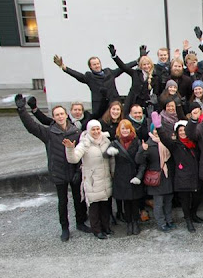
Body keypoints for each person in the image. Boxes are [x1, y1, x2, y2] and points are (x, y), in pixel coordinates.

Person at [15, 94, 89, 241]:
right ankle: (64, 227)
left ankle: (80, 222)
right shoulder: (49, 133)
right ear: (54, 117)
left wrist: (78, 170)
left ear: (66, 115)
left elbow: (81, 153)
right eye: (57, 115)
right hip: (59, 172)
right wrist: (22, 110)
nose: (60, 117)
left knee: (78, 198)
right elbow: (32, 127)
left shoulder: (76, 132)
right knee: (63, 201)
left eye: (62, 114)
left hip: (74, 171)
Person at [63, 120, 113, 240]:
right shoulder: (84, 143)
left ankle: (106, 227)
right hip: (92, 179)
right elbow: (74, 159)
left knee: (105, 204)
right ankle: (97, 230)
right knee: (94, 206)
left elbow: (111, 159)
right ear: (89, 130)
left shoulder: (106, 141)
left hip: (105, 177)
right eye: (93, 129)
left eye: (98, 129)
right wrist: (70, 149)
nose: (96, 132)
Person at [52, 53, 137, 114]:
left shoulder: (109, 72)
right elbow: (77, 75)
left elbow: (123, 67)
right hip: (100, 107)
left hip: (114, 104)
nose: (97, 66)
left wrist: (137, 61)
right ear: (90, 67)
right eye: (94, 64)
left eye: (98, 63)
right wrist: (64, 67)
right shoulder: (89, 77)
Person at [156, 116, 200, 232]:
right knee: (185, 200)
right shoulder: (175, 145)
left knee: (197, 198)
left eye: (184, 129)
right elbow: (165, 139)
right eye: (180, 130)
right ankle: (188, 219)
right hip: (182, 177)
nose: (183, 132)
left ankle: (193, 214)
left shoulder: (194, 143)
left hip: (195, 175)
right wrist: (159, 127)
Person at [107, 120, 146, 235]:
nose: (125, 131)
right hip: (121, 177)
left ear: (131, 130)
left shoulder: (137, 142)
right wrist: (109, 152)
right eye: (123, 129)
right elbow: (105, 155)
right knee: (126, 203)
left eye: (127, 128)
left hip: (134, 175)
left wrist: (139, 176)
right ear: (119, 130)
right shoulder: (115, 143)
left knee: (135, 202)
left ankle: (135, 222)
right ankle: (129, 223)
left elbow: (142, 162)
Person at [136, 124, 175, 232]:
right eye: (155, 130)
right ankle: (161, 223)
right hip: (156, 177)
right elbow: (139, 161)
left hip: (167, 175)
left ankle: (169, 220)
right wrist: (142, 150)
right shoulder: (149, 144)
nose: (157, 132)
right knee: (158, 203)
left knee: (168, 201)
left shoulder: (166, 142)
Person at [108, 44, 158, 115]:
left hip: (144, 103)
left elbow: (155, 93)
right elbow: (123, 67)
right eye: (144, 64)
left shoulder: (155, 77)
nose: (146, 66)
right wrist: (114, 56)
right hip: (131, 100)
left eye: (148, 64)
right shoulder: (135, 73)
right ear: (141, 66)